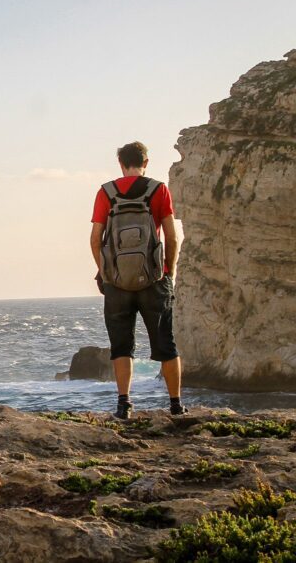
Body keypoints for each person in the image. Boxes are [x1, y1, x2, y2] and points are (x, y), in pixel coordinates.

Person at [90, 141, 185, 419]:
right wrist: (169, 270)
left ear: (120, 163)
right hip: (154, 279)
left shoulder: (106, 192)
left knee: (122, 344)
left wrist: (105, 271)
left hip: (117, 282)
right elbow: (172, 236)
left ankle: (124, 403)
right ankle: (176, 405)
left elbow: (95, 239)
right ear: (146, 162)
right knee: (166, 343)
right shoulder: (158, 190)